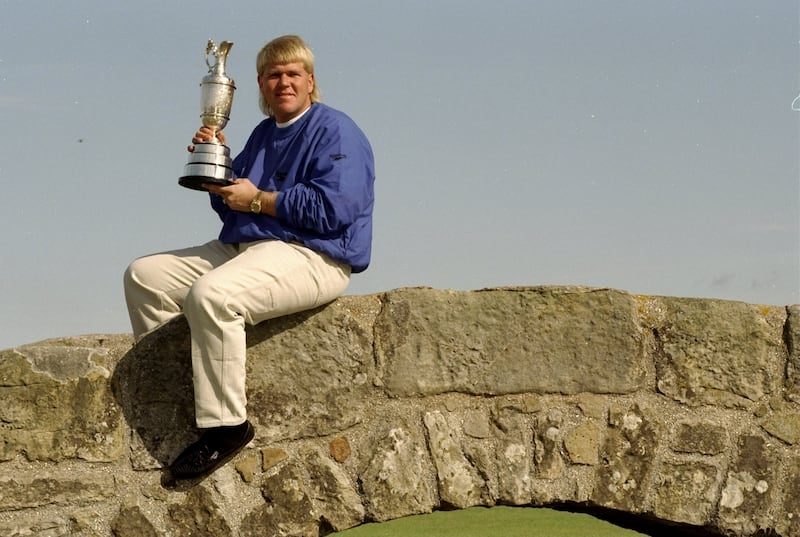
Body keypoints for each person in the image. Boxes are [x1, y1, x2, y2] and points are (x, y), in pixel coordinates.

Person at [123, 35, 375, 480]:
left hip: (314, 255)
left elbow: (336, 209)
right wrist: (214, 166)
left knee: (213, 296)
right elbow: (232, 206)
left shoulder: (336, 130)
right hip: (249, 247)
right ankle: (180, 397)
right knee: (145, 276)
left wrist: (258, 199)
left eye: (293, 73)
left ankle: (226, 428)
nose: (284, 82)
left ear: (310, 81)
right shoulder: (262, 134)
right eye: (274, 75)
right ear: (260, 85)